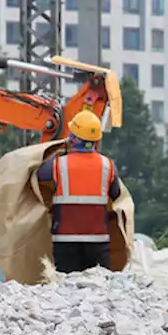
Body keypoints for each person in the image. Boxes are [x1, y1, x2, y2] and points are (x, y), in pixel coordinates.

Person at [35, 109, 123, 273]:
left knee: (67, 292)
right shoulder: (108, 165)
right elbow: (116, 194)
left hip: (65, 241)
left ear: (74, 138)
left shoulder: (57, 165)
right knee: (100, 290)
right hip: (98, 242)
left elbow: (36, 178)